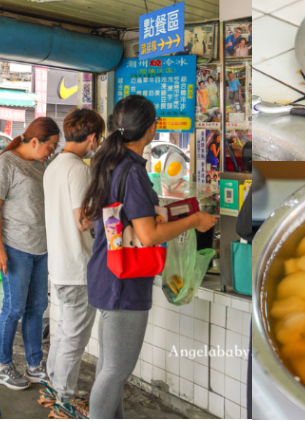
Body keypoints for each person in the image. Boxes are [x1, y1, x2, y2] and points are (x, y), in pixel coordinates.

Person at [81, 95, 216, 419]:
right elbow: (149, 235)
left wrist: (170, 214)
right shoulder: (132, 171)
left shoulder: (109, 162)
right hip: (123, 281)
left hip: (107, 272)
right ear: (151, 128)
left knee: (111, 368)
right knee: (115, 370)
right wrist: (195, 221)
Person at [0, 117, 60, 390]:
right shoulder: (6, 164)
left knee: (37, 308)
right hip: (15, 247)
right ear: (34, 141)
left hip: (42, 247)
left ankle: (34, 365)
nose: (52, 151)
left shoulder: (44, 164)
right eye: (50, 145)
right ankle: (3, 366)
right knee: (14, 308)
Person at [40, 109, 105, 419]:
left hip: (60, 264)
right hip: (79, 267)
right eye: (99, 137)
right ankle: (65, 402)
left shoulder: (53, 166)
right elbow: (83, 220)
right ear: (91, 137)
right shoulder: (78, 169)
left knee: (64, 333)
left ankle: (54, 390)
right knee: (74, 339)